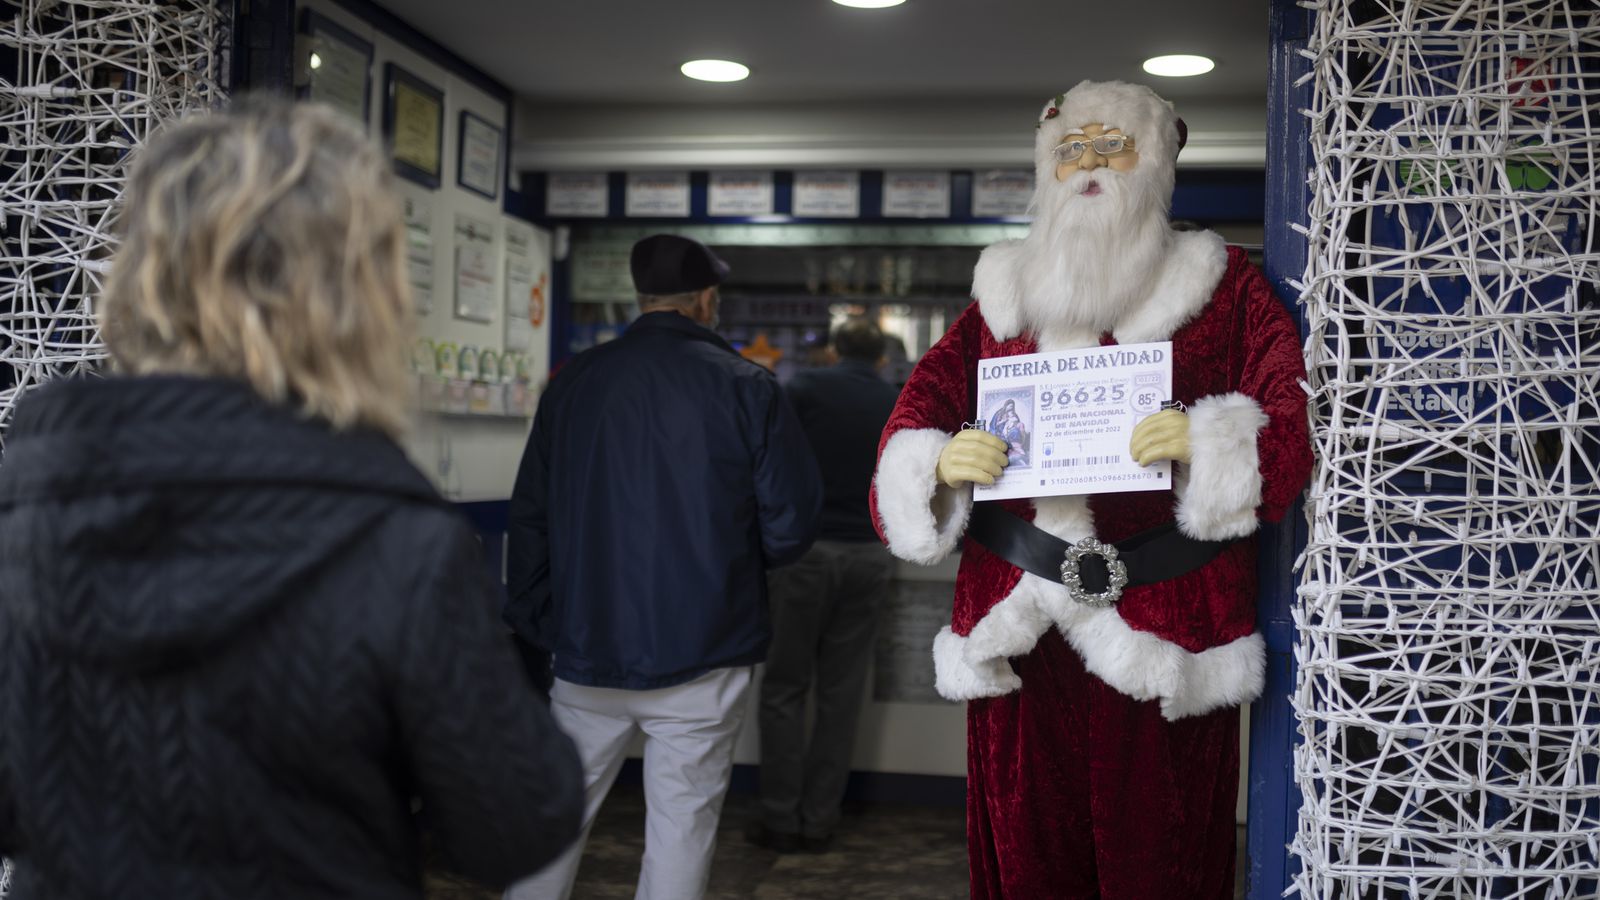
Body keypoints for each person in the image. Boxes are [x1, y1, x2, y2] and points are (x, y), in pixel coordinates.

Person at [0, 99, 583, 900]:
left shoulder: (22, 507)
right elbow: (515, 826)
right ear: (359, 294)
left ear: (140, 275)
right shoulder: (396, 542)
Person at [870, 81, 1313, 899]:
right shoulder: (999, 300)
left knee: (1165, 864)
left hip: (1167, 625)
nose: (1091, 166)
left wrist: (1208, 438)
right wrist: (936, 461)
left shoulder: (1224, 290)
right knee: (1025, 860)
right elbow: (915, 415)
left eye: (1115, 145)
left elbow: (1291, 426)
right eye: (1072, 149)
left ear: (1157, 163)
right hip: (1015, 624)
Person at [505, 234, 823, 900]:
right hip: (704, 654)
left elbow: (529, 519)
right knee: (682, 827)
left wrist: (543, 624)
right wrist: (724, 570)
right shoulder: (749, 387)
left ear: (642, 298)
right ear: (707, 299)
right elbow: (791, 528)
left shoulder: (574, 386)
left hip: (584, 649)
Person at [747, 317, 901, 854]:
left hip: (806, 554)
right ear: (882, 357)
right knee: (841, 692)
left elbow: (770, 465)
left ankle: (779, 818)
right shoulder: (895, 400)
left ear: (833, 351)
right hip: (869, 557)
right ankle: (819, 820)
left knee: (785, 686)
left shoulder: (804, 389)